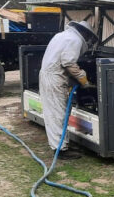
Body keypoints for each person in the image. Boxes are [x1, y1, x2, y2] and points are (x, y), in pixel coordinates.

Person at [39, 20, 98, 160]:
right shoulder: (75, 39)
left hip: (50, 76)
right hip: (54, 79)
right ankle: (60, 150)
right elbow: (69, 63)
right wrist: (84, 80)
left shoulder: (62, 36)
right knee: (58, 114)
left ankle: (61, 144)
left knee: (56, 113)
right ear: (84, 33)